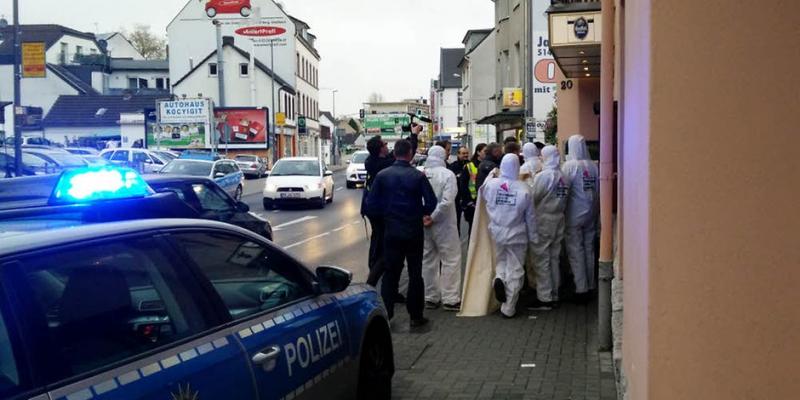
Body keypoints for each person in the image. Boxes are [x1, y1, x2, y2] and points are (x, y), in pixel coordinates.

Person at [364, 137, 438, 327]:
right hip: (413, 230)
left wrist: (386, 215)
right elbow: (431, 202)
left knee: (391, 273)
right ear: (410, 154)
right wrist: (421, 213)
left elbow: (370, 205)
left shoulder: (382, 175)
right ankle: (415, 316)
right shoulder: (417, 176)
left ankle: (387, 314)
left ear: (395, 153)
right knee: (415, 273)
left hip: (391, 231)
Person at [482, 154, 537, 318]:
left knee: (501, 261)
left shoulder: (491, 185)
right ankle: (509, 307)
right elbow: (531, 217)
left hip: (497, 231)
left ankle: (499, 279)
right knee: (515, 269)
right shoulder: (524, 189)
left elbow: (483, 196)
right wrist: (533, 237)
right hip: (516, 234)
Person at [527, 145, 570, 310]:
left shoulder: (544, 176)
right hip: (559, 218)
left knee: (541, 260)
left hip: (543, 220)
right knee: (554, 258)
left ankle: (544, 297)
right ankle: (555, 293)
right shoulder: (563, 176)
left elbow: (533, 197)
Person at [421, 146, 462, 311]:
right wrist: (435, 216)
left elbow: (416, 199)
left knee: (428, 260)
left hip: (424, 224)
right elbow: (447, 200)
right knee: (450, 259)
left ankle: (431, 297)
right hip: (444, 224)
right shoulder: (448, 175)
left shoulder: (421, 174)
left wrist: (424, 217)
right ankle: (450, 298)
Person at [562, 134, 599, 302]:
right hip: (591, 213)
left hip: (574, 215)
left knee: (576, 251)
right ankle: (591, 285)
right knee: (589, 250)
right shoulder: (593, 166)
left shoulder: (569, 166)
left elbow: (563, 189)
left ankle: (581, 288)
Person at [361, 135, 395, 287]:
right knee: (383, 248)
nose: (387, 145)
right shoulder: (382, 165)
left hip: (373, 209)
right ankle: (372, 283)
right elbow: (395, 158)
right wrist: (413, 136)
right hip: (380, 211)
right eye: (385, 143)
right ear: (380, 149)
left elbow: (390, 157)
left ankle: (378, 279)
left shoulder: (372, 161)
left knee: (378, 243)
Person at [459, 144, 486, 236]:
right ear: (478, 152)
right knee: (473, 230)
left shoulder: (489, 165)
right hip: (472, 203)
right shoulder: (470, 166)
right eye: (484, 151)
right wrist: (468, 202)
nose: (486, 154)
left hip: (485, 202)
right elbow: (463, 185)